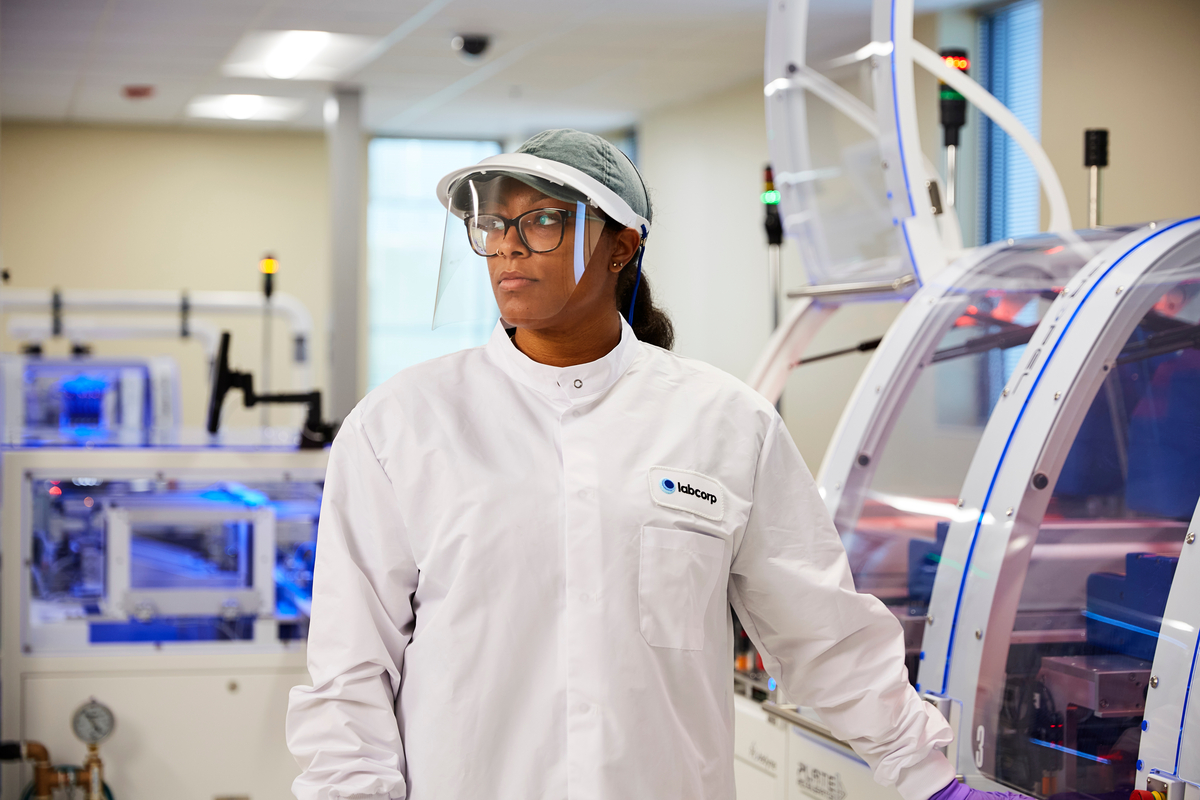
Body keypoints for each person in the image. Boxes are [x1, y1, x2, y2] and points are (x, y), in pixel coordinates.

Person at [286, 129, 1026, 800]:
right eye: (494, 224)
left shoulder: (725, 423)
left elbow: (820, 631)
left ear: (622, 245)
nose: (508, 244)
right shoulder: (402, 424)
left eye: (542, 220)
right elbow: (351, 668)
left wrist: (928, 775)